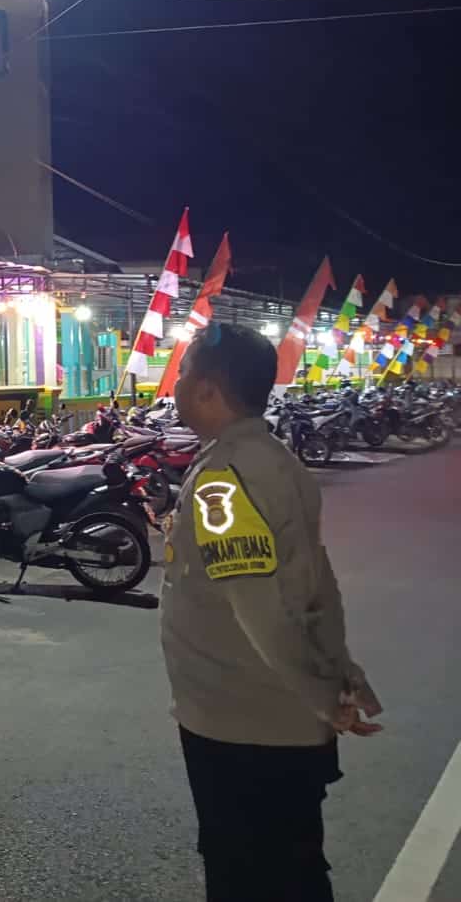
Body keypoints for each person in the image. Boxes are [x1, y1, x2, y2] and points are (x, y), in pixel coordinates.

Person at [163, 322, 382, 902]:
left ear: (207, 390)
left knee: (250, 876)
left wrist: (325, 697)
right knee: (293, 870)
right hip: (268, 725)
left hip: (243, 728)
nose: (175, 386)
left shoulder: (226, 480)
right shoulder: (274, 460)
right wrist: (341, 671)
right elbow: (315, 582)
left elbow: (261, 610)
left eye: (182, 374)